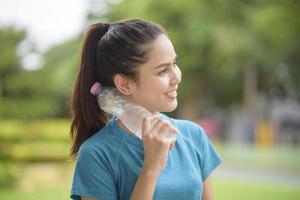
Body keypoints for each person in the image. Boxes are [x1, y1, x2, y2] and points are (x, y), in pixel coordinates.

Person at [69, 19, 222, 200]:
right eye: (162, 71)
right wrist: (151, 167)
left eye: (174, 63)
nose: (177, 77)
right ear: (124, 84)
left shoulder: (193, 135)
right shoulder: (97, 153)